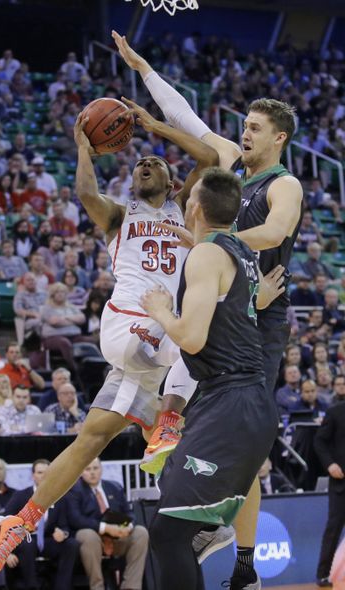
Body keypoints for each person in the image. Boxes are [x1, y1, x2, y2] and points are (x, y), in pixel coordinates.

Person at [0, 96, 217, 577]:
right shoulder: (118, 214)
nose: (147, 163)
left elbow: (210, 159)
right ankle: (166, 429)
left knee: (91, 439)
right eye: (140, 163)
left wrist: (154, 124)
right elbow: (86, 193)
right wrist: (83, 147)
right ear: (131, 182)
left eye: (156, 162)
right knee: (201, 335)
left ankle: (19, 520)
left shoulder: (183, 209)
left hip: (153, 348)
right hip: (129, 325)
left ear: (174, 182)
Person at [113, 33, 303, 586]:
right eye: (242, 125)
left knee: (240, 432)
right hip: (221, 295)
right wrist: (144, 69)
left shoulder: (282, 183)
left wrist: (222, 241)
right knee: (199, 397)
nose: (243, 134)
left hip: (256, 313)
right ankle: (188, 469)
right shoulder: (229, 167)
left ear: (279, 139)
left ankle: (242, 557)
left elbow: (275, 230)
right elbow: (186, 115)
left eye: (255, 129)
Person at [137, 167, 281, 590]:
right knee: (171, 518)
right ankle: (214, 524)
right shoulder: (237, 250)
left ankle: (214, 528)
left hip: (231, 403)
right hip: (240, 401)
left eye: (188, 197)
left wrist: (161, 309)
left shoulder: (206, 255)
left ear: (195, 207)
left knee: (166, 533)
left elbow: (193, 339)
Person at [68, 457, 149, 590]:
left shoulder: (114, 487)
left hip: (117, 537)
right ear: (81, 472)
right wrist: (105, 528)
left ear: (101, 469)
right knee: (87, 535)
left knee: (140, 532)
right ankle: (97, 586)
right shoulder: (74, 491)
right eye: (88, 469)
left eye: (95, 468)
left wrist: (126, 527)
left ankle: (131, 586)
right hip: (93, 539)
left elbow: (129, 513)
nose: (92, 472)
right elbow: (75, 519)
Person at [3, 459, 79, 590]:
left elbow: (64, 525)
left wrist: (63, 533)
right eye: (39, 472)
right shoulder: (21, 496)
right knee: (28, 544)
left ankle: (62, 587)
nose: (44, 476)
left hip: (48, 539)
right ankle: (32, 586)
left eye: (47, 472)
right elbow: (5, 521)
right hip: (25, 539)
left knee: (71, 544)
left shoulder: (60, 496)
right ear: (33, 475)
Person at [314, 400, 345, 587]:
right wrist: (330, 464)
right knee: (333, 529)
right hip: (341, 481)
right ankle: (323, 574)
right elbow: (319, 441)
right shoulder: (335, 412)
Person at [40, 282, 86, 375]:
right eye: (58, 292)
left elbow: (82, 319)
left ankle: (94, 365)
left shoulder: (71, 307)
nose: (61, 294)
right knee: (64, 343)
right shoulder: (47, 308)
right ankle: (75, 369)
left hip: (74, 336)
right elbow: (54, 322)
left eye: (63, 292)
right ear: (52, 295)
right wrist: (73, 320)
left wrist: (64, 318)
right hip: (53, 338)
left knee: (90, 340)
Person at [13, 272, 47, 340]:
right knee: (40, 323)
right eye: (28, 280)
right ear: (24, 282)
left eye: (32, 280)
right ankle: (44, 345)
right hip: (30, 320)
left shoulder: (44, 293)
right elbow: (18, 310)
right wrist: (34, 314)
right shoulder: (20, 295)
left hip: (45, 317)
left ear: (36, 281)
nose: (31, 282)